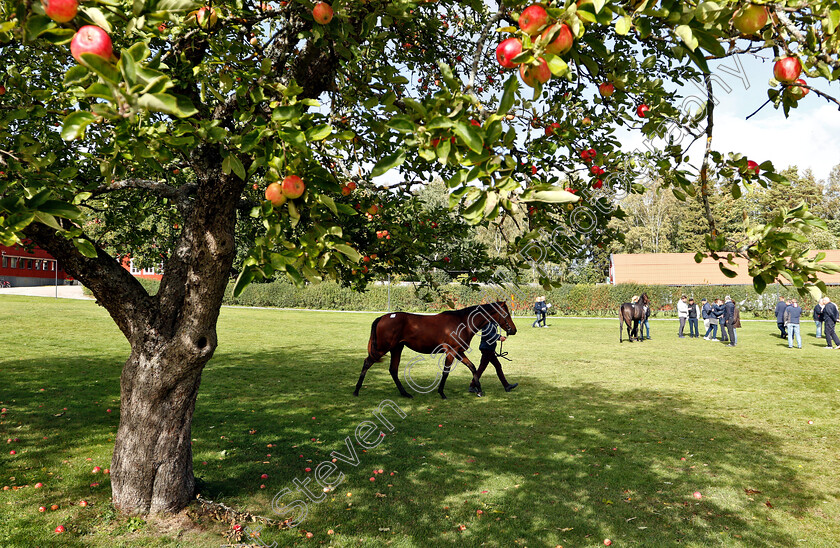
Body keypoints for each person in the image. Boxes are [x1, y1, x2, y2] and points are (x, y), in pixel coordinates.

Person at [469, 320, 518, 393]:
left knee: (497, 366)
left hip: (489, 349)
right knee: (482, 368)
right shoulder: (489, 323)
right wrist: (499, 337)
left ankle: (507, 386)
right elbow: (487, 335)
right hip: (487, 349)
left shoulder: (491, 322)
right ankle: (472, 385)